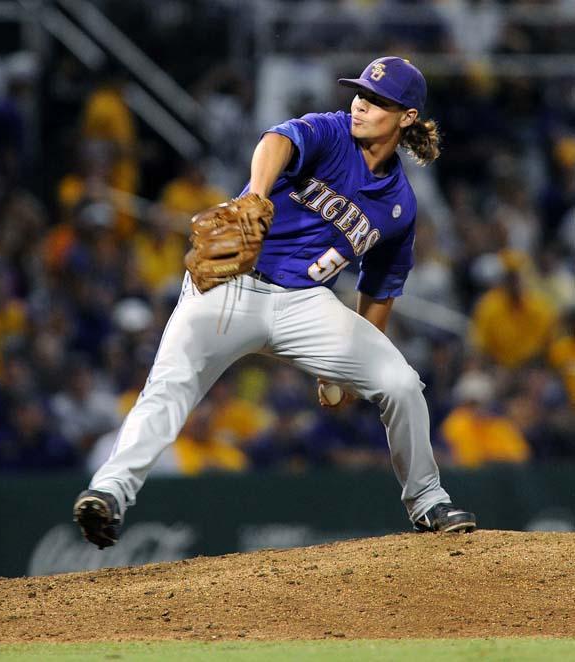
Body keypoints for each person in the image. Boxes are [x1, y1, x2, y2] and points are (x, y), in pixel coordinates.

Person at [74, 57, 477, 548]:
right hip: (231, 286)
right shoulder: (332, 132)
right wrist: (256, 197)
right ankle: (109, 493)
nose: (361, 105)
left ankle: (427, 500)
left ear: (407, 117)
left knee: (401, 384)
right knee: (170, 385)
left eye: (377, 101)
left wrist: (344, 368)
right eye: (360, 94)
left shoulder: (399, 207)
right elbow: (276, 140)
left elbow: (380, 289)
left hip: (305, 304)